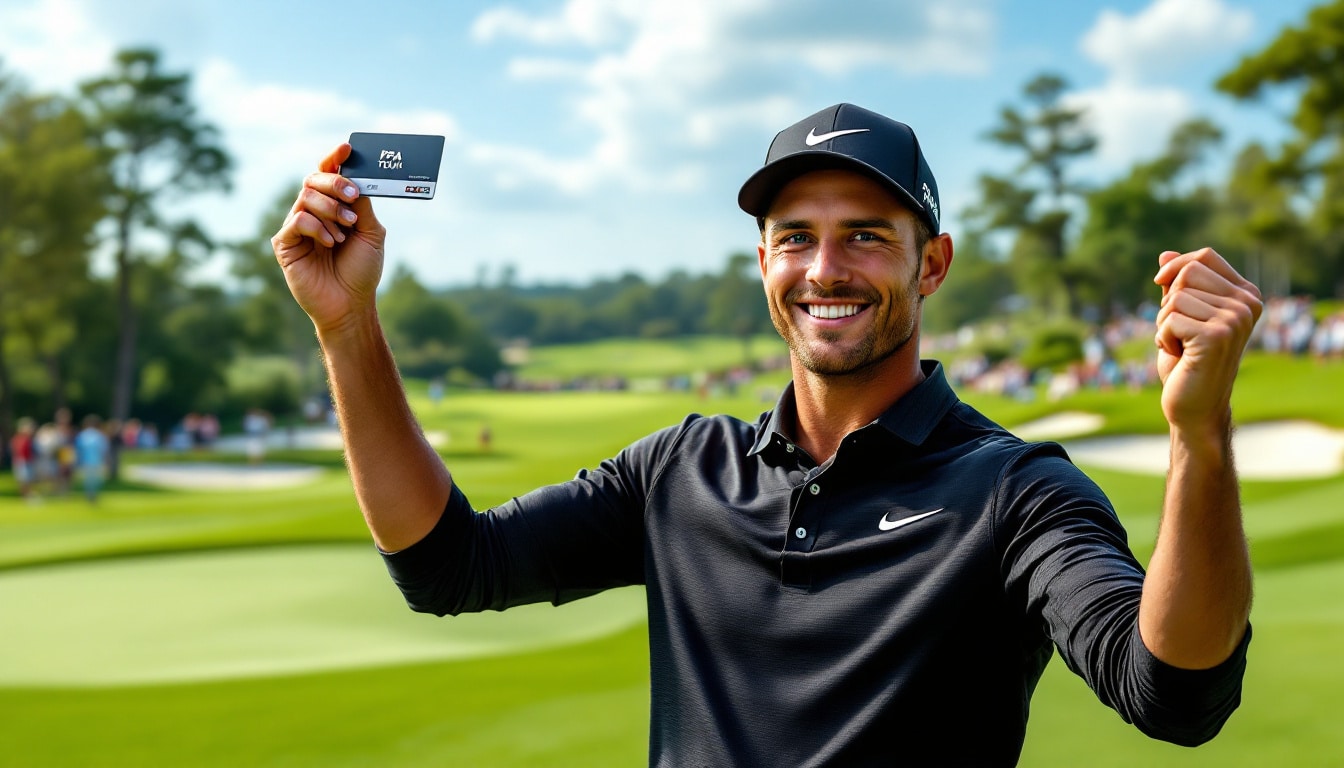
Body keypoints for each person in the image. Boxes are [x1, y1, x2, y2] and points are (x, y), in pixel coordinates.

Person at [272, 103, 1260, 766]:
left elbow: (1172, 693)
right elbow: (447, 566)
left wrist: (1199, 440)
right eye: (796, 236)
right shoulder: (679, 471)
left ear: (932, 264)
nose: (825, 267)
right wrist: (347, 327)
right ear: (762, 263)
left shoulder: (1015, 491)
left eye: (867, 234)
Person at [74, 414, 110, 504]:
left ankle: (90, 495)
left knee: (89, 480)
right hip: (96, 460)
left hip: (87, 460)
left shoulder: (83, 435)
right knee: (94, 480)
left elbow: (78, 449)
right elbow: (104, 450)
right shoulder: (99, 435)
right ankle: (92, 495)